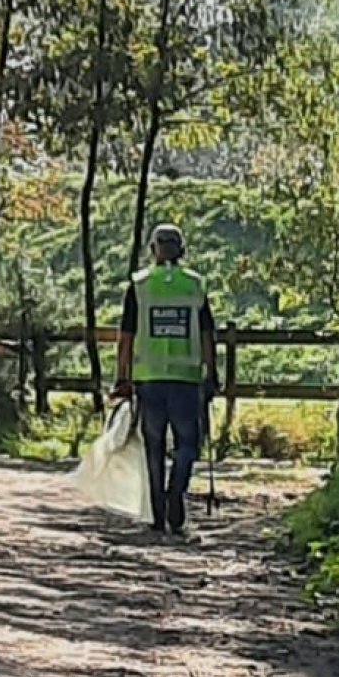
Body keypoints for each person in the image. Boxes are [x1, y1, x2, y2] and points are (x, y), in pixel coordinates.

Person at [111, 223, 218, 535]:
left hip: (149, 380)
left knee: (153, 446)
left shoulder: (140, 285)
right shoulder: (194, 286)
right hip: (186, 380)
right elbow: (207, 334)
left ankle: (158, 511)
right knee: (188, 444)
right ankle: (176, 491)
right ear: (181, 250)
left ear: (153, 249)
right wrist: (212, 373)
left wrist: (122, 376)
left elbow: (126, 337)